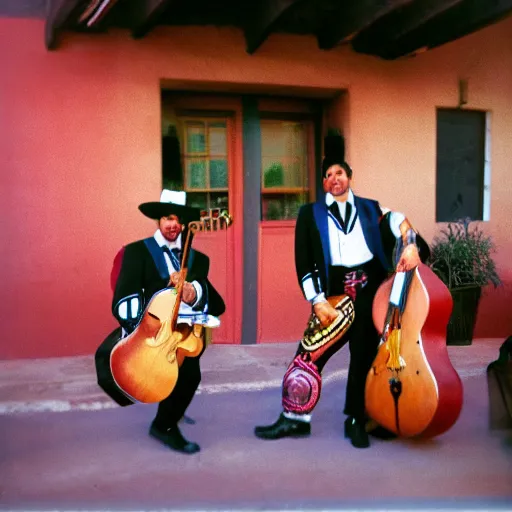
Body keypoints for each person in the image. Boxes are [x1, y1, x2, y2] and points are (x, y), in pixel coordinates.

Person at [254, 135, 429, 448]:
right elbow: (304, 260)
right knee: (308, 354)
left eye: (340, 173)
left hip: (372, 293)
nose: (335, 179)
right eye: (328, 175)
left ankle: (356, 419)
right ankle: (294, 419)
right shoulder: (311, 214)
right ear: (324, 183)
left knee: (363, 357)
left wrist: (411, 244)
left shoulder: (371, 208)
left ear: (350, 177)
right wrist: (316, 301)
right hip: (334, 293)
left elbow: (401, 223)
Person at [111, 189, 225, 454]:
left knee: (189, 376)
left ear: (184, 223)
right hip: (151, 332)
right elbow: (125, 296)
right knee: (174, 376)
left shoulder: (198, 259)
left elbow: (215, 301)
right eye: (166, 218)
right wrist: (141, 331)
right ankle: (167, 422)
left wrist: (193, 291)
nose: (172, 224)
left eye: (177, 219)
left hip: (185, 333)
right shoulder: (137, 252)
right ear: (158, 221)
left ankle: (165, 422)